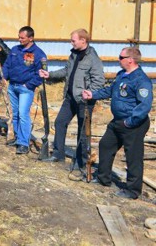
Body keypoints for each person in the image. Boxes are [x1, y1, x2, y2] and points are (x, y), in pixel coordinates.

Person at [83, 47, 152, 199]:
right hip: (118, 122)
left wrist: (130, 121)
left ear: (130, 60)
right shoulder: (121, 75)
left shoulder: (141, 80)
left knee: (133, 157)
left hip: (133, 124)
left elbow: (144, 105)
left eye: (120, 57)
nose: (118, 59)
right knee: (106, 145)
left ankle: (132, 190)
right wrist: (92, 94)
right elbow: (110, 91)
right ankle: (103, 178)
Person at [39, 29, 105, 167]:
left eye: (73, 40)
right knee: (59, 122)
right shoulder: (73, 54)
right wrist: (49, 75)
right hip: (70, 98)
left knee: (82, 131)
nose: (71, 43)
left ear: (83, 40)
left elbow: (99, 80)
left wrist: (90, 93)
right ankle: (58, 154)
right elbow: (66, 71)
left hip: (84, 101)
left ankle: (81, 162)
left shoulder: (92, 58)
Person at [1, 26, 46, 154]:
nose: (19, 39)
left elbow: (41, 73)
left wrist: (29, 85)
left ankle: (23, 143)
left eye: (22, 37)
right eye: (19, 37)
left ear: (30, 38)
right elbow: (7, 65)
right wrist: (4, 77)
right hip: (12, 86)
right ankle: (17, 137)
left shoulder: (38, 54)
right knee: (14, 114)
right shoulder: (15, 50)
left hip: (25, 89)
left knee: (23, 114)